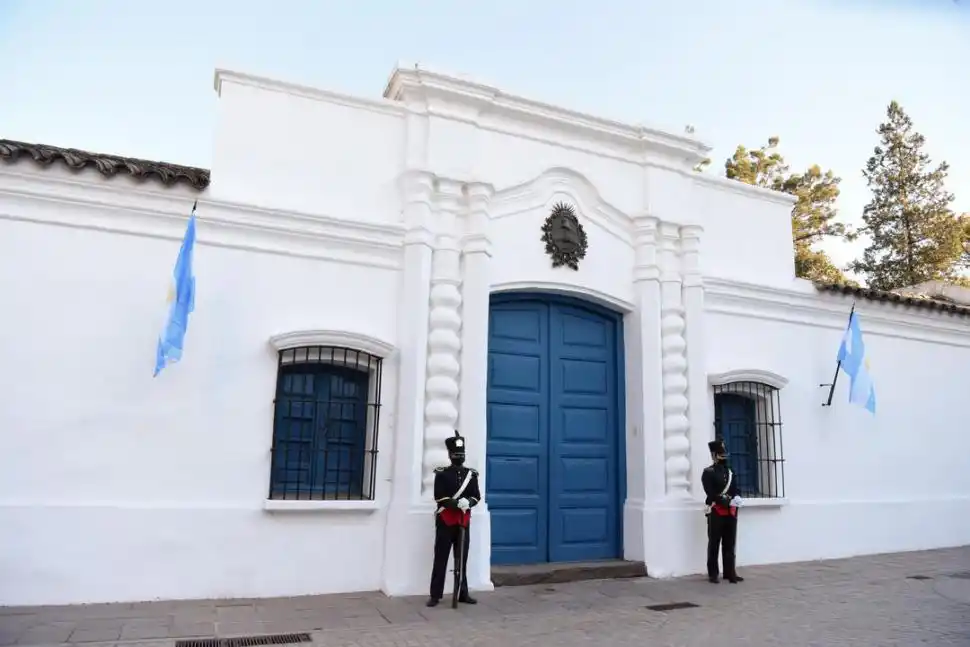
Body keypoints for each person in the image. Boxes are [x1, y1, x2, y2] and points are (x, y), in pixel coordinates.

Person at [427, 429, 481, 607]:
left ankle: (462, 593)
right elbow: (439, 497)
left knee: (462, 559)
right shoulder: (442, 474)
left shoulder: (471, 475)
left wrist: (469, 503)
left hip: (463, 521)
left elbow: (476, 496)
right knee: (441, 558)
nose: (459, 456)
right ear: (450, 455)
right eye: (456, 454)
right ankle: (435, 595)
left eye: (461, 454)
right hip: (446, 521)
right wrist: (455, 503)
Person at [701, 439, 745, 584]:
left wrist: (737, 497)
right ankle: (713, 573)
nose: (724, 457)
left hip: (731, 511)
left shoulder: (731, 471)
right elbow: (711, 493)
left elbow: (735, 488)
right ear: (714, 455)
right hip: (717, 511)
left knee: (730, 543)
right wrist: (725, 500)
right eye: (720, 454)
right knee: (714, 542)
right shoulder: (708, 472)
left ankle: (730, 572)